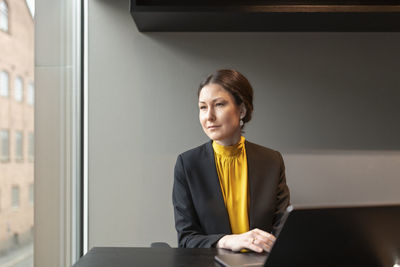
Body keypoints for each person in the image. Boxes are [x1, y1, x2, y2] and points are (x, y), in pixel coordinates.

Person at [172, 69, 290, 253]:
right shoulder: (187, 165)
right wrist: (227, 241)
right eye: (203, 107)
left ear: (242, 110)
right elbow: (186, 239)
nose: (208, 116)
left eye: (218, 104)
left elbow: (283, 231)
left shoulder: (272, 161)